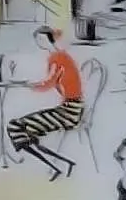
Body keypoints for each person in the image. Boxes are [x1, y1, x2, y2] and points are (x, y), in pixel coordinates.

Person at [7, 37, 88, 177]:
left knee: (15, 126)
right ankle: (62, 164)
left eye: (40, 39)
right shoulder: (61, 56)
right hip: (71, 108)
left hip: (70, 112)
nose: (38, 42)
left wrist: (26, 85)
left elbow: (48, 83)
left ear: (48, 40)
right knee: (25, 131)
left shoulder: (57, 57)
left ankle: (56, 166)